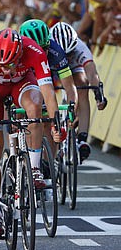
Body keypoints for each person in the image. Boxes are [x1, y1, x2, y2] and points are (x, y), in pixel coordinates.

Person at [0, 28, 64, 239]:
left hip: (21, 85)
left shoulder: (34, 51)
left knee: (35, 108)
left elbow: (48, 93)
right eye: (2, 65)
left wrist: (55, 123)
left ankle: (34, 168)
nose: (6, 69)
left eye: (11, 64)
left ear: (20, 53)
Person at [49, 21, 108, 162]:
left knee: (82, 85)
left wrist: (99, 95)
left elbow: (92, 73)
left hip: (74, 68)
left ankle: (82, 138)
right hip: (51, 65)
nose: (67, 56)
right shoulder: (48, 46)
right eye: (65, 54)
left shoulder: (81, 48)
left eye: (70, 53)